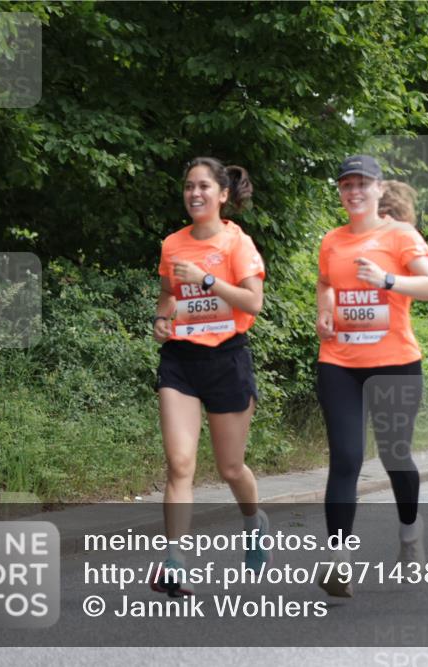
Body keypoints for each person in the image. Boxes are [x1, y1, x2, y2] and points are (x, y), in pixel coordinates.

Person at [315, 155, 428, 597]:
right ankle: (339, 559)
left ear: (377, 189)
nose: (353, 191)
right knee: (346, 458)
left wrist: (388, 279)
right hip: (339, 362)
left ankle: (409, 533)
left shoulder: (401, 235)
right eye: (346, 184)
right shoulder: (332, 241)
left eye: (362, 184)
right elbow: (325, 283)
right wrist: (325, 312)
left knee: (395, 457)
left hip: (395, 363)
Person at [150, 158, 270, 596]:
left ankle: (254, 524)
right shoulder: (172, 244)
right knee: (180, 464)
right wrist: (162, 320)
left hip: (227, 359)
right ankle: (174, 563)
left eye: (203, 186)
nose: (194, 194)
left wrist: (205, 280)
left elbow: (252, 302)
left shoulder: (237, 243)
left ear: (222, 195)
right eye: (188, 187)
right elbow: (167, 294)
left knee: (230, 467)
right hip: (180, 360)